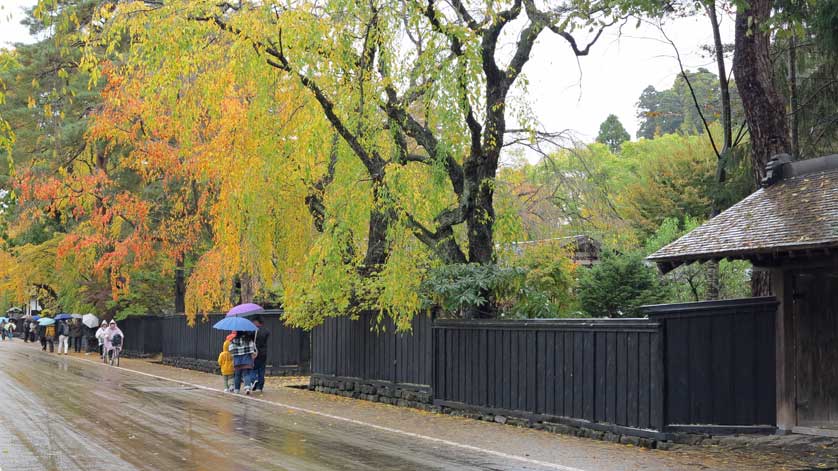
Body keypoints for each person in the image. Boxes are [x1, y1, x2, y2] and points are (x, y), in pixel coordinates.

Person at [252, 316, 270, 393]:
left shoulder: (254, 331)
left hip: (256, 353)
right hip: (264, 353)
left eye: (253, 322)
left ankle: (254, 380)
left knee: (253, 368)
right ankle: (260, 386)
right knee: (261, 370)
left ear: (257, 322)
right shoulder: (266, 331)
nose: (252, 323)